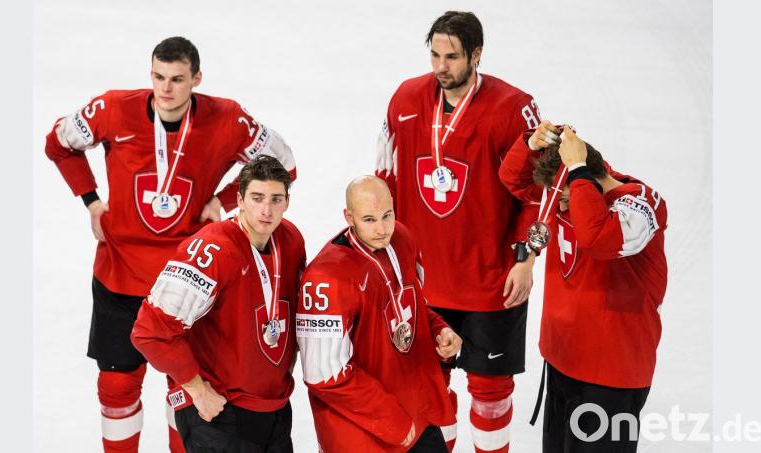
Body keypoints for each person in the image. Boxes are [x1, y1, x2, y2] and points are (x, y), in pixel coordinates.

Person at [44, 37, 297, 452]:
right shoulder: (112, 108)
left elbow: (285, 164)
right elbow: (58, 142)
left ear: (196, 79)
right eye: (159, 77)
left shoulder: (229, 119)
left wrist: (225, 198)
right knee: (116, 385)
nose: (166, 89)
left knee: (184, 386)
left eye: (178, 80)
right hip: (119, 272)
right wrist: (90, 199)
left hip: (187, 279)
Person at [375, 11, 541, 452]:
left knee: (490, 393)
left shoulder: (513, 108)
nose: (441, 67)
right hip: (424, 281)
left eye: (451, 57)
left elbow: (535, 193)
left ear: (477, 55)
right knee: (430, 388)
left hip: (491, 280)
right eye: (434, 55)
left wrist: (526, 260)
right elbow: (386, 181)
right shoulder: (406, 99)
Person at [502, 123, 668, 452]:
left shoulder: (640, 205)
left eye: (565, 198)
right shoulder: (567, 191)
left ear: (586, 180)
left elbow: (597, 239)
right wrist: (530, 144)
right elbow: (513, 181)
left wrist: (577, 172)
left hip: (612, 376)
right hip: (563, 359)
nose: (560, 208)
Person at [131, 155, 306, 453]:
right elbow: (149, 332)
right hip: (219, 413)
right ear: (239, 199)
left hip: (272, 408)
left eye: (276, 199)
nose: (266, 210)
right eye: (257, 197)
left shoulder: (290, 240)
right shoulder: (211, 250)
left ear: (287, 202)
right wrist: (197, 390)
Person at [296, 176, 462, 452]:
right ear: (349, 216)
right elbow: (324, 375)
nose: (383, 229)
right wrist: (392, 420)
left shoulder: (403, 239)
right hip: (366, 433)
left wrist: (438, 331)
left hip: (417, 415)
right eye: (370, 219)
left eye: (387, 215)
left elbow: (413, 307)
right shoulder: (325, 278)